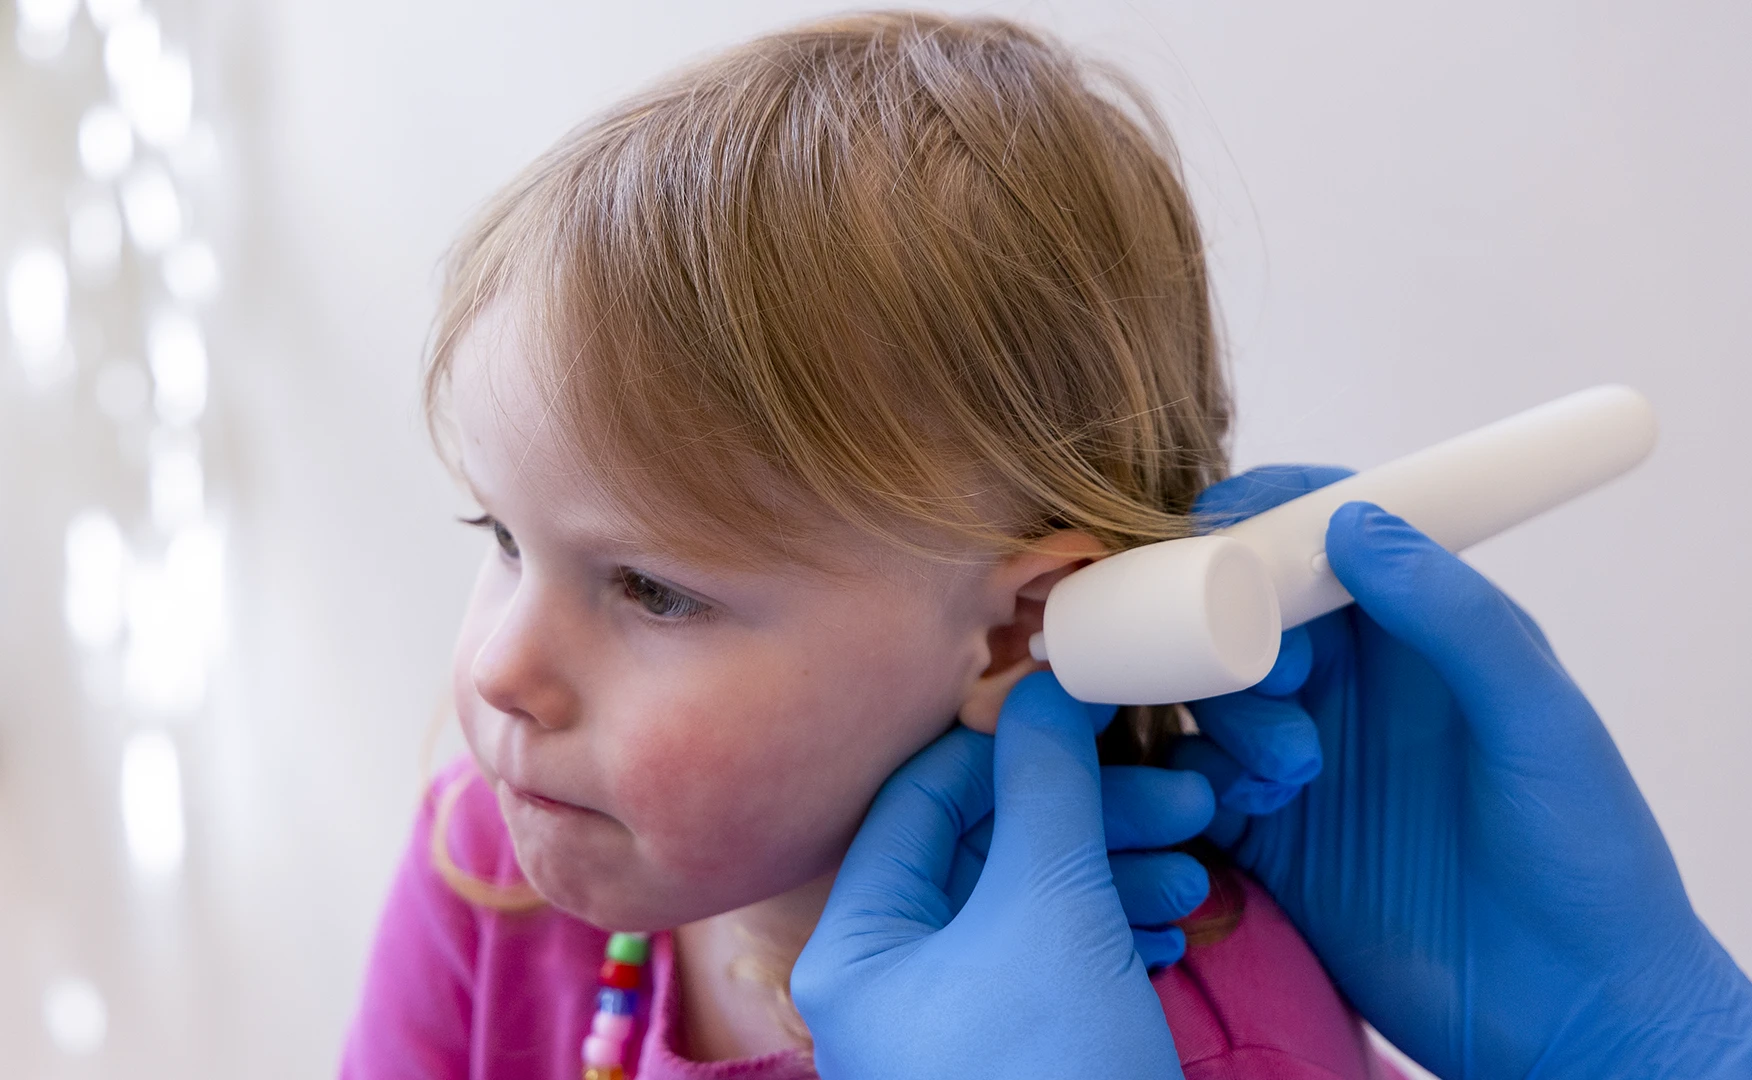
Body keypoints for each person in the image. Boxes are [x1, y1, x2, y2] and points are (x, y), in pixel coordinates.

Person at [342, 12, 1412, 1079]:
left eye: (653, 591)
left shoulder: (1195, 1051)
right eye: (504, 538)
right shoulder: (488, 866)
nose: (500, 670)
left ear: (1020, 632)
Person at [795, 473, 1752, 1078]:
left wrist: (1651, 1040)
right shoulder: (663, 914)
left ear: (1016, 630)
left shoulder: (1220, 1047)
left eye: (662, 593)